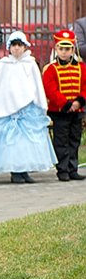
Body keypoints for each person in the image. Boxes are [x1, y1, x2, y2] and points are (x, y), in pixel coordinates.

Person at [0, 31, 56, 183]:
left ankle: (24, 169)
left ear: (25, 47)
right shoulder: (4, 65)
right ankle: (15, 171)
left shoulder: (30, 63)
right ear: (9, 47)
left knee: (26, 142)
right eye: (13, 45)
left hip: (28, 109)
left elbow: (36, 85)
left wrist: (40, 103)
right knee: (11, 141)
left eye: (19, 45)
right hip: (8, 109)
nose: (16, 49)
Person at [42, 30, 86, 181]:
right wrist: (65, 104)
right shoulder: (51, 69)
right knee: (61, 142)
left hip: (77, 111)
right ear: (56, 49)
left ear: (73, 49)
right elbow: (50, 90)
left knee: (74, 140)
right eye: (61, 48)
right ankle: (62, 170)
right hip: (60, 112)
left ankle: (73, 169)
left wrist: (79, 101)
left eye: (67, 49)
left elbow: (85, 86)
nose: (64, 52)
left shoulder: (81, 67)